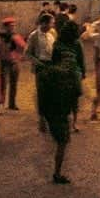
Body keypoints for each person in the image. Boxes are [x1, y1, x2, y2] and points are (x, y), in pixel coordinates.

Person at [38, 21, 84, 183]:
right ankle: (57, 173)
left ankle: (57, 169)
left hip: (50, 110)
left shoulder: (47, 73)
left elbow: (41, 96)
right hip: (61, 110)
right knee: (62, 142)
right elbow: (78, 93)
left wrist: (41, 118)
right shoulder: (72, 74)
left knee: (58, 139)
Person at [26, 14, 57, 132]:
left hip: (52, 66)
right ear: (44, 23)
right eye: (51, 22)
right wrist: (38, 63)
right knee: (42, 94)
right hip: (41, 67)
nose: (52, 25)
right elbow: (27, 53)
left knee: (52, 93)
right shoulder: (34, 36)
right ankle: (42, 119)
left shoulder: (52, 33)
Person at [0, 17, 26, 110]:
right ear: (5, 27)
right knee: (2, 84)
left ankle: (12, 104)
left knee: (14, 84)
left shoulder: (16, 36)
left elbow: (24, 47)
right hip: (4, 62)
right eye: (11, 26)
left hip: (14, 62)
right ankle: (2, 103)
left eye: (13, 25)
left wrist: (21, 56)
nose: (13, 27)